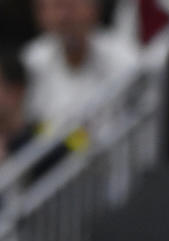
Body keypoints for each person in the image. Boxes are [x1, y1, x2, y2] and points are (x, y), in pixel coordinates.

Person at [22, 0, 137, 138]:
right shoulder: (31, 61)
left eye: (71, 6)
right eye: (53, 8)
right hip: (54, 154)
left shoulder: (126, 60)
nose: (63, 17)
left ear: (94, 8)